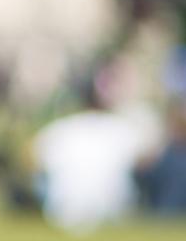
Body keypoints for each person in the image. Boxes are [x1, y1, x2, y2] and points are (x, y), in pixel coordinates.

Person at [32, 81, 156, 233]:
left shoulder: (61, 128)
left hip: (63, 210)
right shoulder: (121, 127)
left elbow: (33, 160)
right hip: (116, 210)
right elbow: (147, 160)